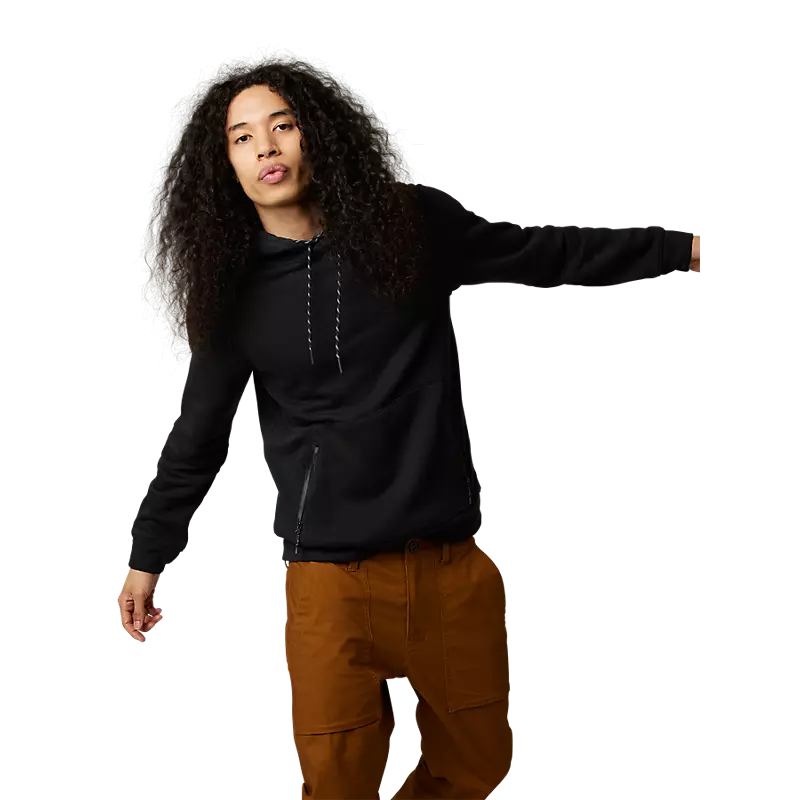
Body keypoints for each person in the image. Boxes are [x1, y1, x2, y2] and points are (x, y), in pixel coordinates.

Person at [116, 40, 700, 800]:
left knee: (479, 763)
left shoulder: (410, 225)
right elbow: (197, 440)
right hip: (329, 582)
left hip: (448, 564)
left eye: (283, 124)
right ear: (223, 166)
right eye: (242, 136)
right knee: (337, 783)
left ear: (317, 134)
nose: (266, 147)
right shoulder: (234, 298)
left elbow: (546, 254)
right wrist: (148, 555)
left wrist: (687, 249)